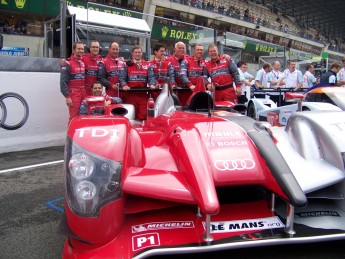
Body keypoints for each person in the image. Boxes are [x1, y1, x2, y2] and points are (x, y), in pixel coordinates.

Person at [119, 46, 150, 121]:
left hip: (143, 94)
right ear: (132, 53)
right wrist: (124, 85)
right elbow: (122, 78)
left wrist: (152, 83)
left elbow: (151, 77)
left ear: (141, 53)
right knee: (130, 115)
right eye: (136, 52)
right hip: (130, 94)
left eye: (139, 52)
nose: (137, 54)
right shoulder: (126, 65)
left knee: (143, 115)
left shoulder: (147, 64)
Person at [60, 41, 86, 123]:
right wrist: (67, 97)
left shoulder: (82, 63)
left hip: (83, 93)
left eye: (82, 49)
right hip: (73, 94)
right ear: (74, 50)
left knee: (83, 116)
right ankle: (70, 136)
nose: (81, 50)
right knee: (74, 117)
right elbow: (63, 82)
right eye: (79, 48)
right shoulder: (67, 63)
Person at [166, 41, 190, 105]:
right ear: (175, 49)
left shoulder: (189, 59)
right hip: (174, 91)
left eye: (183, 48)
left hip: (187, 90)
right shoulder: (168, 60)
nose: (181, 50)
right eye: (179, 48)